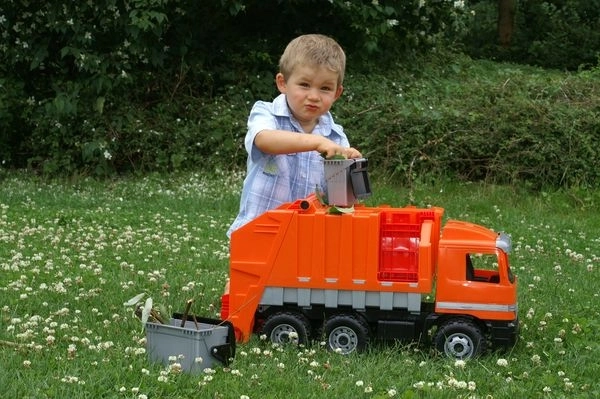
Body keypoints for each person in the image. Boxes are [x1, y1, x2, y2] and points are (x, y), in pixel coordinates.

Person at [226, 34, 362, 238]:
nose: (314, 96)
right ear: (283, 83)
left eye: (325, 88)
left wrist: (352, 170)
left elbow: (341, 201)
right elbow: (264, 140)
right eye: (304, 85)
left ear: (337, 93)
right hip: (260, 234)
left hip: (308, 239)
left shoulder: (336, 137)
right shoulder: (266, 113)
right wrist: (316, 142)